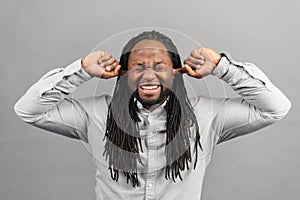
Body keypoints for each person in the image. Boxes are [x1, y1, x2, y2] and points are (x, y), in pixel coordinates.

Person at [14, 31, 291, 200]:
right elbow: (28, 110)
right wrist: (82, 70)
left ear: (177, 72)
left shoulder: (205, 115)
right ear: (123, 74)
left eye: (160, 66)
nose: (149, 75)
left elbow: (275, 107)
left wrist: (221, 66)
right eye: (138, 66)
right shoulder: (95, 113)